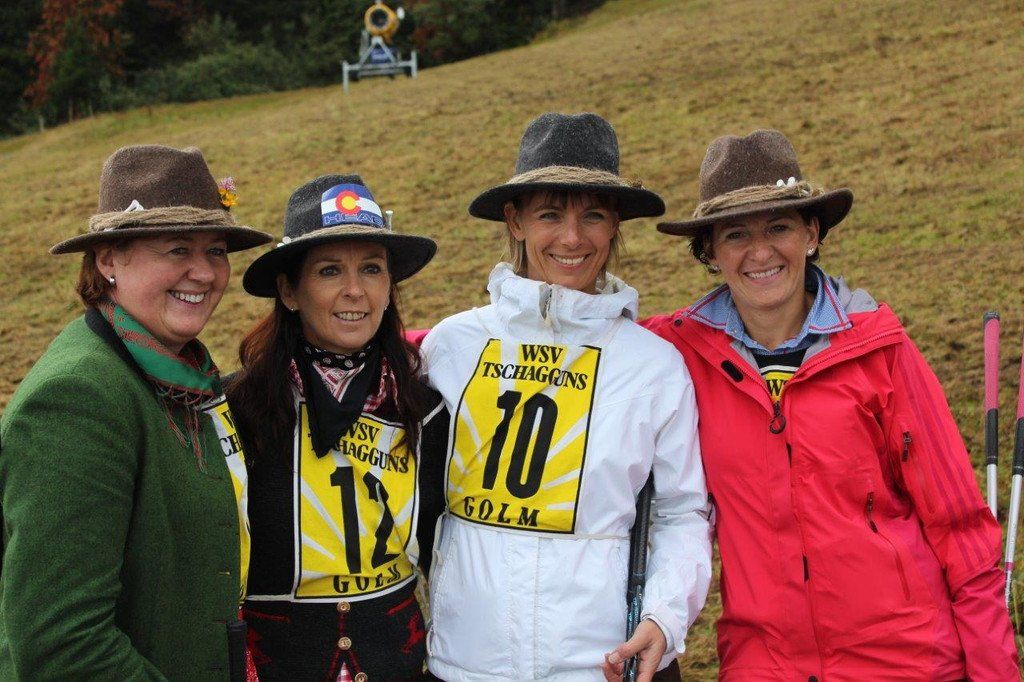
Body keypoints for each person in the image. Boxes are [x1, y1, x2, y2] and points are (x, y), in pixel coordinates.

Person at [645, 129, 1019, 680]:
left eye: (779, 227)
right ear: (710, 252)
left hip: (905, 661)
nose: (760, 252)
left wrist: (995, 672)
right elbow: (584, 336)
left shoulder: (880, 350)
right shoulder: (673, 354)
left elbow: (961, 530)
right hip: (764, 663)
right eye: (736, 234)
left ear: (812, 233)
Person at [420, 112, 712, 681]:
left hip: (601, 666)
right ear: (515, 220)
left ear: (616, 224)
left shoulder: (653, 367)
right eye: (550, 214)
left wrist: (664, 616)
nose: (572, 239)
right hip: (465, 664)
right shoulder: (452, 347)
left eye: (593, 216)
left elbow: (682, 512)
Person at [0, 145, 272, 678]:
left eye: (216, 250)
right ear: (108, 260)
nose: (204, 273)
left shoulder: (176, 373)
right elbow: (64, 645)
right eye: (177, 249)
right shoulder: (76, 400)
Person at [226, 175, 448, 680]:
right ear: (289, 290)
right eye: (330, 271)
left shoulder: (425, 409)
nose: (355, 290)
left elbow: (443, 554)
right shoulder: (240, 410)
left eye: (372, 269)